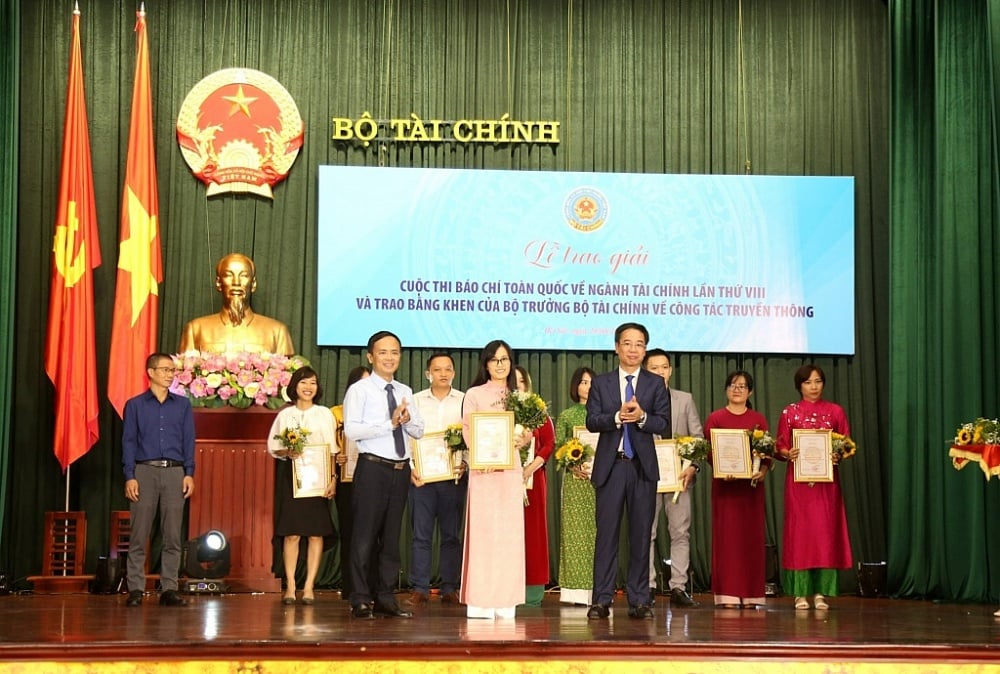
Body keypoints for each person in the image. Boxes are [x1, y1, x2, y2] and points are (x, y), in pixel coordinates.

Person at [586, 323, 671, 620]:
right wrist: (617, 417)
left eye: (639, 344)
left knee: (640, 537)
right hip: (612, 467)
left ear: (645, 349)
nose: (633, 349)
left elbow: (663, 423)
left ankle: (639, 600)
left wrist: (643, 416)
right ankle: (601, 600)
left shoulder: (655, 384)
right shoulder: (602, 383)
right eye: (627, 343)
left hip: (642, 469)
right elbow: (592, 421)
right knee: (606, 537)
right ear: (616, 347)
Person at [343, 331, 424, 619]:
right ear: (370, 356)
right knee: (364, 536)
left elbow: (419, 430)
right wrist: (388, 424)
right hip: (373, 468)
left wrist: (407, 419)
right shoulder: (360, 390)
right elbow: (351, 430)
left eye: (395, 352)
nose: (390, 358)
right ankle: (360, 598)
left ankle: (386, 597)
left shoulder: (405, 390)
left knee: (391, 538)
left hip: (400, 471)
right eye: (383, 352)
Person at [775, 364, 853, 611]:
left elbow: (847, 443)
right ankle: (800, 593)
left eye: (818, 381)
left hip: (826, 485)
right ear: (799, 385)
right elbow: (780, 446)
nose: (814, 386)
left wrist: (838, 455)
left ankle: (821, 592)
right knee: (800, 535)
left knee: (824, 535)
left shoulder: (835, 411)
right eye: (808, 382)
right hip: (799, 485)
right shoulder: (790, 412)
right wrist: (789, 452)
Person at [122, 352, 196, 608]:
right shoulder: (135, 405)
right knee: (139, 533)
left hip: (175, 472)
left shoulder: (183, 405)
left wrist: (189, 472)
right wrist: (130, 476)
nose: (169, 374)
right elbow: (129, 442)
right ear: (150, 372)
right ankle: (135, 589)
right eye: (164, 369)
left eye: (172, 370)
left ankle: (169, 588)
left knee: (173, 534)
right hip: (145, 471)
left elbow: (189, 441)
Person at [460, 339, 527, 619]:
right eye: (495, 359)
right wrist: (482, 455)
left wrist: (523, 438)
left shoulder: (520, 395)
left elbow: (528, 432)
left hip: (510, 470)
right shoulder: (474, 394)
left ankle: (506, 600)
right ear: (486, 363)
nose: (501, 365)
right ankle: (481, 602)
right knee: (484, 534)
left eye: (505, 359)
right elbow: (467, 429)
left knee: (509, 537)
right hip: (483, 471)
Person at [267, 366, 338, 605]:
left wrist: (332, 480)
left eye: (313, 383)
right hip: (292, 477)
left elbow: (332, 450)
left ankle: (309, 587)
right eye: (304, 382)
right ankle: (291, 586)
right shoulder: (285, 415)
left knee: (316, 533)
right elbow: (273, 447)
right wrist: (288, 450)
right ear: (294, 386)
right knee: (292, 534)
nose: (309, 387)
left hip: (318, 478)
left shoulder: (324, 413)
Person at [703, 370, 771, 608]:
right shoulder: (716, 418)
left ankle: (752, 595)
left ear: (750, 391)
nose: (737, 389)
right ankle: (727, 595)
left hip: (750, 492)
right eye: (733, 385)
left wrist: (761, 471)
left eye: (743, 386)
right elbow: (711, 453)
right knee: (727, 542)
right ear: (726, 389)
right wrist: (722, 468)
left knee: (750, 542)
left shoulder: (758, 419)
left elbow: (766, 454)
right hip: (725, 490)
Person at [643, 349, 702, 607]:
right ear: (645, 371)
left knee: (680, 533)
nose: (660, 372)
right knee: (646, 532)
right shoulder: (636, 400)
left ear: (670, 370)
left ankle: (678, 587)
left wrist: (693, 467)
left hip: (679, 477)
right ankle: (647, 587)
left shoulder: (685, 399)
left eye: (664, 367)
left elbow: (698, 438)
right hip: (647, 475)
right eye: (654, 368)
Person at [407, 353, 466, 607]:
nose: (443, 373)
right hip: (422, 478)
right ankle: (420, 587)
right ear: (427, 373)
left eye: (448, 369)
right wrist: (411, 467)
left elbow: (472, 434)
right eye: (437, 369)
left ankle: (449, 587)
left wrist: (465, 462)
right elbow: (406, 436)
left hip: (454, 477)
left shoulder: (464, 401)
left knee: (451, 535)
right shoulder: (415, 401)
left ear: (454, 372)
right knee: (421, 535)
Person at [178, 253, 295, 355]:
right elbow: (186, 372)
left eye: (244, 276)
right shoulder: (196, 329)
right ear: (218, 283)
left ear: (253, 284)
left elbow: (287, 376)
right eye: (229, 275)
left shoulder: (277, 331)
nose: (236, 282)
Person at [554, 366, 596, 605]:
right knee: (573, 534)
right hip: (575, 482)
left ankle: (598, 589)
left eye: (591, 382)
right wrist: (572, 466)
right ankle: (573, 592)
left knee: (599, 534)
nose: (587, 387)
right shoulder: (568, 415)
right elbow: (559, 447)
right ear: (575, 386)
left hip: (599, 481)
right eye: (582, 382)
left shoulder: (605, 414)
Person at [514, 365, 555, 607]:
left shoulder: (538, 412)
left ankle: (532, 591)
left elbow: (548, 444)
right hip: (502, 481)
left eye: (521, 381)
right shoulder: (498, 412)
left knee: (533, 533)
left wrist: (529, 469)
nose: (517, 385)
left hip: (533, 481)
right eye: (513, 381)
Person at [332, 366, 370, 599]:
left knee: (372, 535)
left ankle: (370, 585)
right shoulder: (336, 413)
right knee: (349, 533)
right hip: (346, 479)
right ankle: (350, 586)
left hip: (372, 478)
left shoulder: (380, 415)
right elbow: (327, 446)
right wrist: (337, 457)